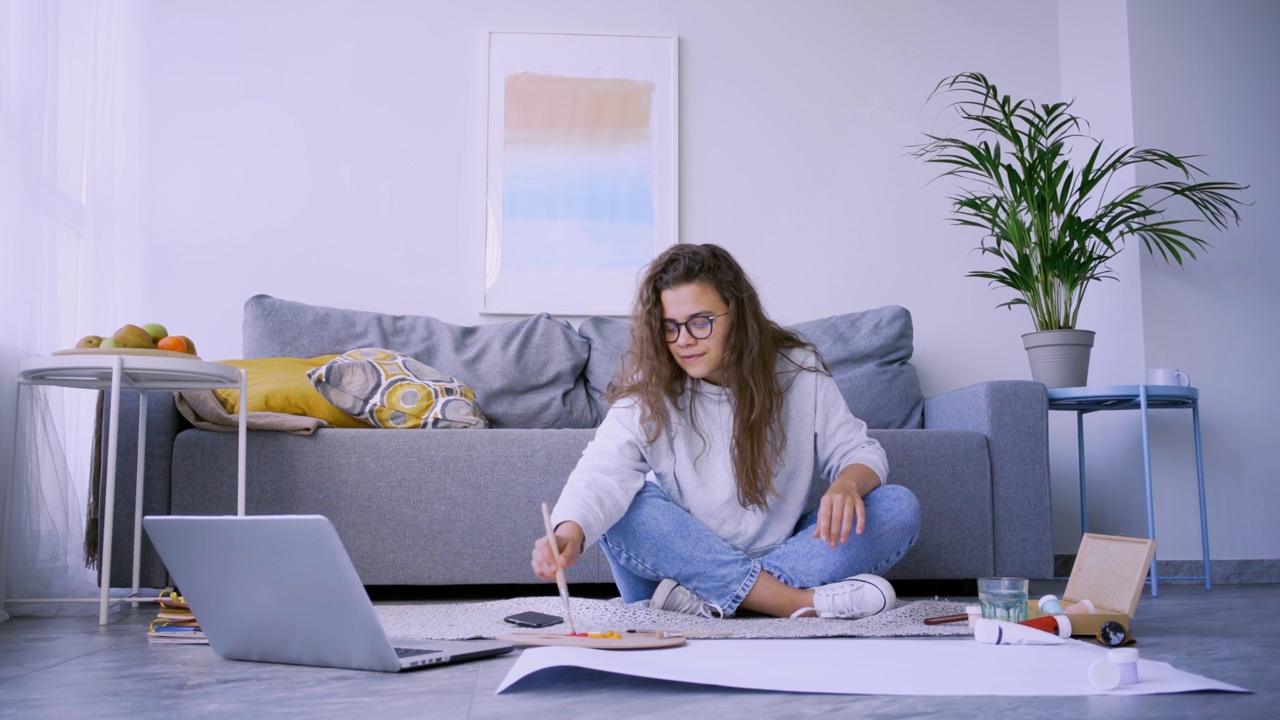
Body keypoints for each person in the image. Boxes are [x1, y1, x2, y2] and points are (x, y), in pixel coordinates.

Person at [530, 244, 922, 619]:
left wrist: (848, 485)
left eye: (700, 322)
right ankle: (788, 603)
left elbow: (859, 451)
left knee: (896, 507)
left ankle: (711, 604)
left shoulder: (797, 369)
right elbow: (602, 471)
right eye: (669, 327)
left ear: (738, 314)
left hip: (704, 581)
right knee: (628, 506)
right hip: (678, 561)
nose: (683, 340)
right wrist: (568, 533)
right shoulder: (648, 384)